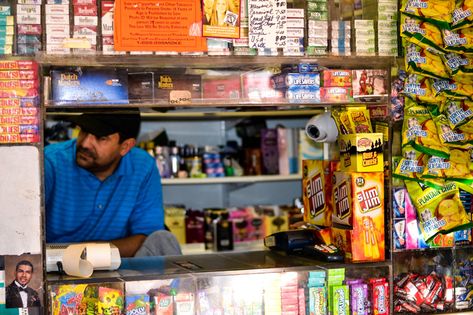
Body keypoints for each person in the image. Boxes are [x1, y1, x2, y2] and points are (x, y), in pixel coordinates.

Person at [44, 109, 182, 257]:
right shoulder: (50, 162)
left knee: (163, 240)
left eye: (100, 137)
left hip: (117, 266)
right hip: (55, 267)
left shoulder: (143, 166)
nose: (85, 143)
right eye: (84, 131)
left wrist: (82, 254)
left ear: (125, 146)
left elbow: (146, 238)